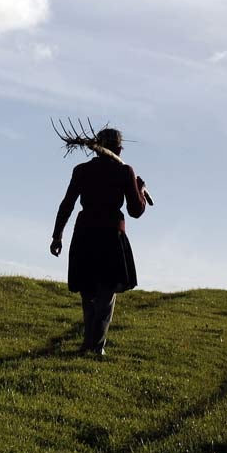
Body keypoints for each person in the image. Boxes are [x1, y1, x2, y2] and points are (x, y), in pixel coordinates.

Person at [49, 127, 147, 356]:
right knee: (106, 293)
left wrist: (57, 235)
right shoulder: (125, 172)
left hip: (84, 234)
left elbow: (67, 205)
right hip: (111, 236)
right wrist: (140, 190)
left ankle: (89, 343)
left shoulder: (81, 170)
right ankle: (96, 345)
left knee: (89, 291)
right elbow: (135, 210)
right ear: (119, 149)